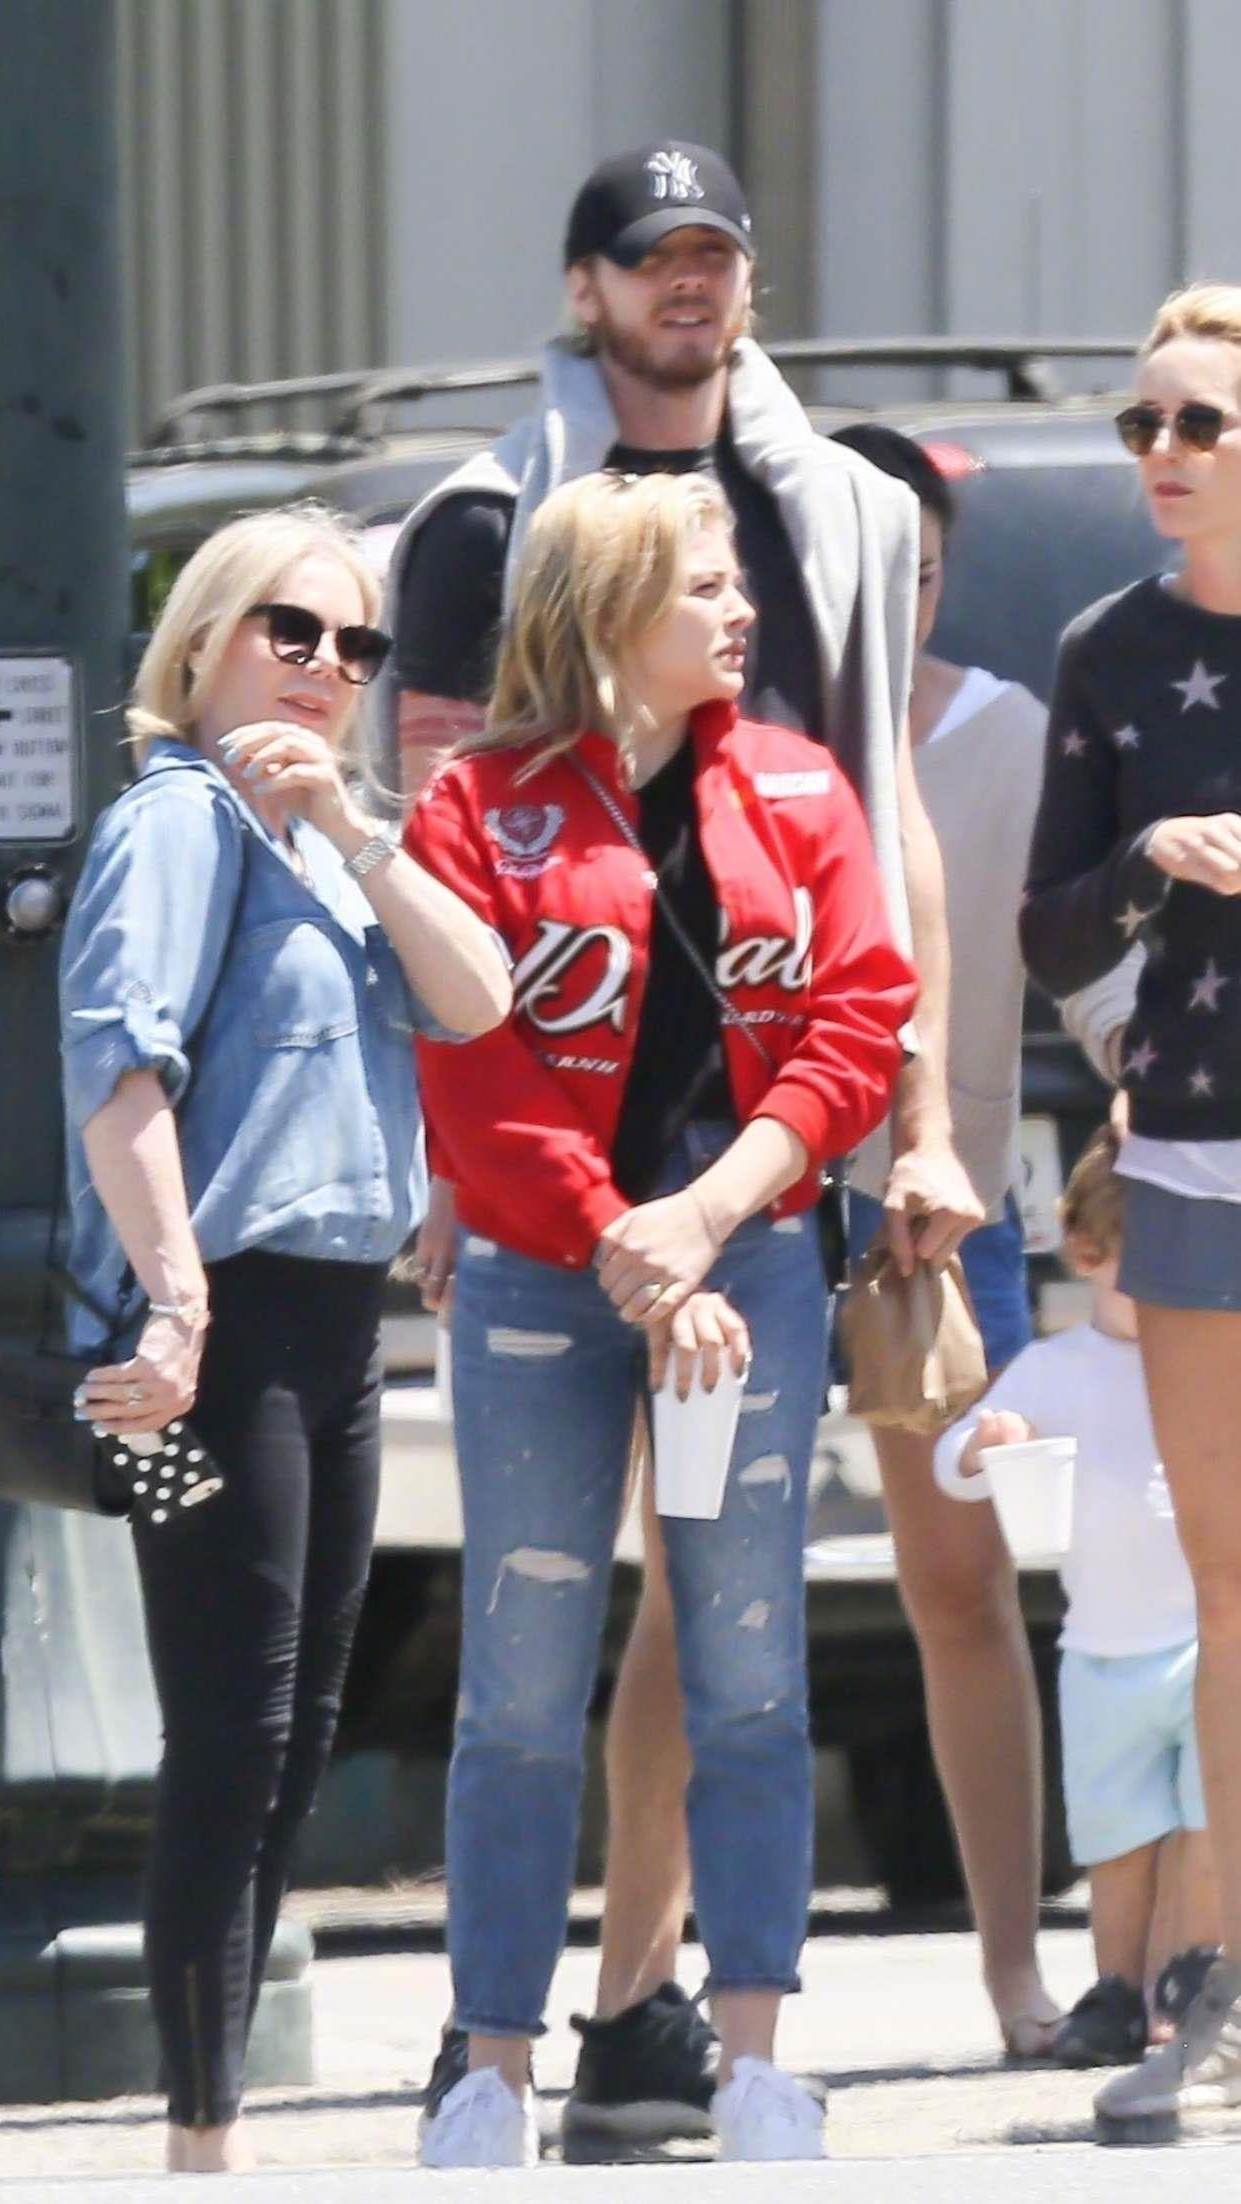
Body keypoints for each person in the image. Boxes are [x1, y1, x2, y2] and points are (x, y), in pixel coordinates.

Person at [385, 138, 983, 2142]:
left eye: (737, 579)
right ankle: (489, 2063)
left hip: (748, 1276)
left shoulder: (800, 785)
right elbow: (473, 1061)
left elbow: (859, 1011)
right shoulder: (480, 803)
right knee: (520, 1668)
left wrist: (713, 1217)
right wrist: (615, 1242)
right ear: (616, 603)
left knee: (747, 1663)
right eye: (708, 590)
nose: (742, 612)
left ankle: (755, 2060)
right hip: (550, 1277)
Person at [58, 507, 510, 2174]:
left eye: (356, 645)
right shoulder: (176, 821)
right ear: (202, 642)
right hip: (219, 1325)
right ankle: (203, 2140)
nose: (327, 667)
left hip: (333, 1328)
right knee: (232, 1735)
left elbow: (481, 995)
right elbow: (121, 1078)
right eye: (291, 631)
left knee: (294, 1738)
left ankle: (217, 2116)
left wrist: (351, 820)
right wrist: (176, 1304)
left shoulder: (312, 832)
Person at [1021, 281, 1241, 2132]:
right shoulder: (1106, 650)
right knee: (1223, 1591)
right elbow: (1045, 929)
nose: (1159, 453)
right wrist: (1149, 865)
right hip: (1186, 1154)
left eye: (1197, 424)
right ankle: (1215, 1990)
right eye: (1140, 424)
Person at [827, 423, 1063, 2055]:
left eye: (911, 573)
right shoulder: (729, 737)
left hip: (940, 1205)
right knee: (694, 1598)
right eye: (852, 570)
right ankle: (656, 1993)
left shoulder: (1009, 737)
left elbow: (1090, 961)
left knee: (963, 1586)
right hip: (752, 1209)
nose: (884, 603)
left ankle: (1015, 1974)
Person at [936, 1128, 1218, 2067]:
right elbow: (954, 1455)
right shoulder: (1056, 1369)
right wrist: (988, 1444)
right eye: (1152, 1257)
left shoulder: (1213, 1358)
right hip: (1101, 1649)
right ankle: (1117, 1990)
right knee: (1117, 1835)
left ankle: (1189, 1980)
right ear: (1088, 1253)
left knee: (1206, 1822)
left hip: (1207, 1642)